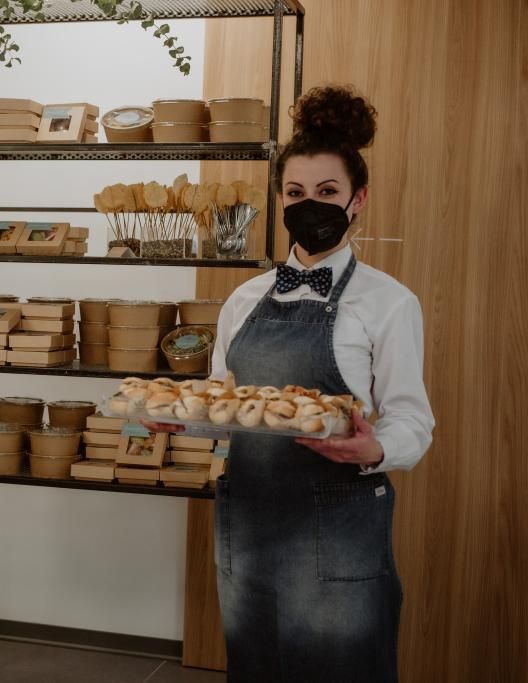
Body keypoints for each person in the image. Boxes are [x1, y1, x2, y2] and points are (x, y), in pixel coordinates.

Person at [208, 86, 434, 682]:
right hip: (251, 530)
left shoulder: (388, 302)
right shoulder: (243, 299)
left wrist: (376, 448)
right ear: (279, 199)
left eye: (328, 193)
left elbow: (412, 420)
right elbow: (219, 404)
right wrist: (177, 421)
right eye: (296, 193)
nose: (311, 205)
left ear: (357, 200)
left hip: (340, 533)